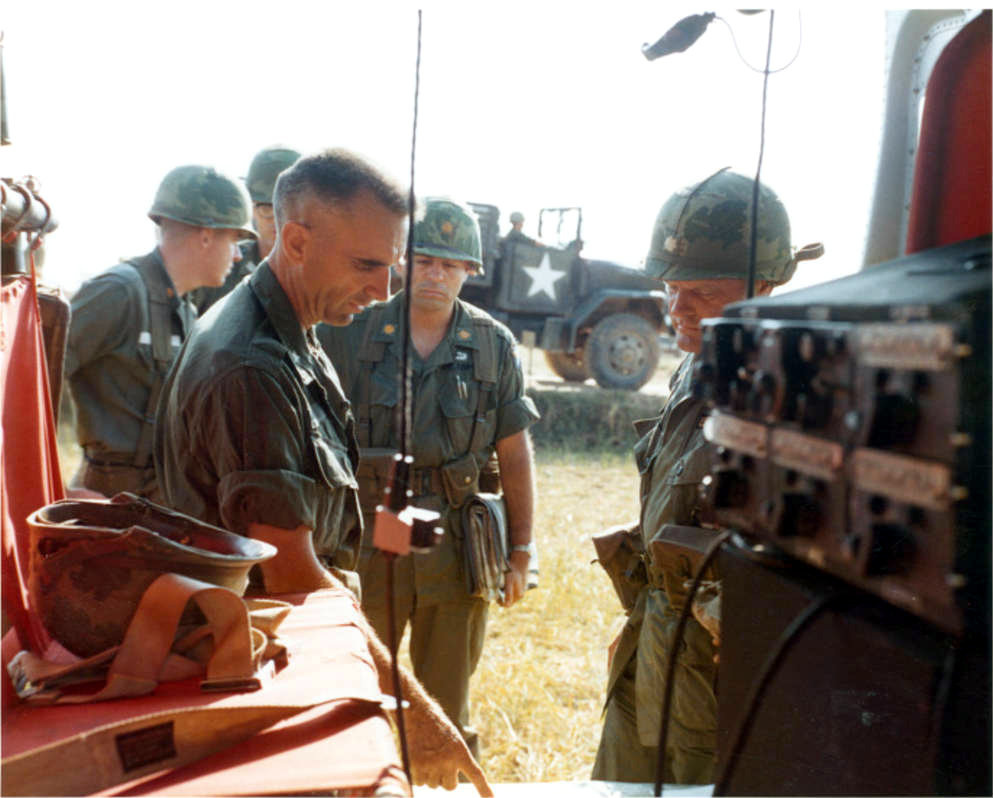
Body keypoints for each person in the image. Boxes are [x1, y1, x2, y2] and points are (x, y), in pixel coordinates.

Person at [153, 150, 492, 795]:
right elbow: (291, 577)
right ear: (297, 241)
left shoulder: (289, 333)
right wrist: (415, 713)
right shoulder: (252, 364)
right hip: (255, 677)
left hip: (273, 662)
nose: (385, 289)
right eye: (368, 264)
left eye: (392, 265)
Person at [591, 168, 821, 784]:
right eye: (670, 288)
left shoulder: (798, 393)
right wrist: (640, 626)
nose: (676, 309)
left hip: (723, 663)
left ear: (765, 284)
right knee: (620, 787)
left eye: (702, 293)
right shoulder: (694, 370)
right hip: (657, 639)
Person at [318, 197, 540, 758]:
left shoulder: (492, 346)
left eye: (450, 264)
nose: (435, 274)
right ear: (402, 260)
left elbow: (515, 453)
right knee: (354, 691)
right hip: (371, 539)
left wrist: (520, 549)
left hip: (455, 546)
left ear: (470, 271)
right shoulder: (352, 330)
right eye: (424, 260)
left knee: (445, 708)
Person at [66, 165, 254, 501]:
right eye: (235, 239)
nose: (239, 255)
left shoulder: (185, 312)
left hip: (157, 500)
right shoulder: (119, 292)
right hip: (105, 501)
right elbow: (25, 385)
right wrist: (55, 490)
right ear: (206, 236)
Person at [189, 146, 300, 314]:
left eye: (290, 209)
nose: (279, 221)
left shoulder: (329, 274)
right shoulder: (221, 265)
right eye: (268, 208)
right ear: (252, 208)